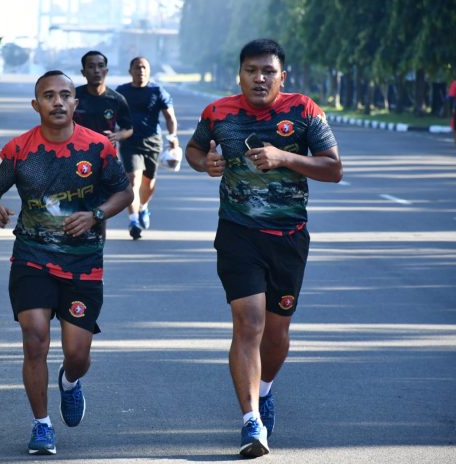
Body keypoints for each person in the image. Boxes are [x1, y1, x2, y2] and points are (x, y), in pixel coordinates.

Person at [185, 39, 343, 458]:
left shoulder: (305, 111)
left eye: (268, 71)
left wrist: (284, 157)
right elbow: (194, 149)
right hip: (238, 233)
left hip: (289, 237)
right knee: (249, 322)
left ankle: (265, 388)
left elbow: (334, 168)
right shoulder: (218, 112)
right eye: (252, 70)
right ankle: (251, 421)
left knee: (276, 334)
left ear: (282, 77)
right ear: (240, 74)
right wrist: (206, 164)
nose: (259, 78)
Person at [0, 70, 133, 455]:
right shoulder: (19, 149)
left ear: (75, 103)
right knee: (35, 339)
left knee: (77, 355)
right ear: (37, 105)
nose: (58, 102)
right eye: (49, 96)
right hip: (32, 257)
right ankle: (41, 426)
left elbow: (124, 193)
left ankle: (69, 381)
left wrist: (95, 215)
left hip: (83, 265)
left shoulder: (98, 148)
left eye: (65, 95)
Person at [116, 57, 179, 239]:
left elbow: (169, 117)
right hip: (129, 141)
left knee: (148, 181)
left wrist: (172, 138)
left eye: (144, 67)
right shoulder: (122, 91)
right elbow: (111, 115)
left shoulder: (157, 90)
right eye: (137, 67)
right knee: (133, 179)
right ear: (130, 71)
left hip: (152, 141)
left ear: (149, 71)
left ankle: (143, 207)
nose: (140, 71)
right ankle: (134, 220)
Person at [74, 50, 133, 144]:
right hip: (78, 152)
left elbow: (128, 128)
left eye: (101, 66)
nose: (96, 70)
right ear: (83, 72)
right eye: (91, 66)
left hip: (106, 153)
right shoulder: (73, 96)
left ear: (106, 71)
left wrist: (117, 136)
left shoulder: (117, 99)